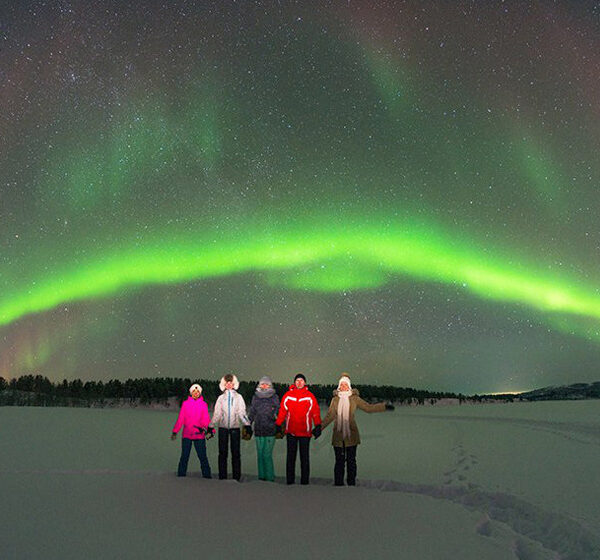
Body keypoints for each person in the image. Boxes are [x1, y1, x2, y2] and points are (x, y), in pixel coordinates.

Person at [322, 374, 394, 486]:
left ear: (349, 386)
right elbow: (330, 416)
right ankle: (338, 485)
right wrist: (319, 428)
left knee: (351, 462)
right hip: (338, 436)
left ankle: (351, 484)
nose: (344, 386)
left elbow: (368, 408)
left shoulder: (354, 398)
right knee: (339, 463)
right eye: (342, 384)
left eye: (346, 384)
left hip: (351, 435)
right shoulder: (335, 400)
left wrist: (384, 406)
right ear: (339, 386)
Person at [275, 373, 321, 485]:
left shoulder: (310, 396)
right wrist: (278, 424)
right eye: (297, 380)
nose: (299, 382)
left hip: (305, 433)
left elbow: (315, 412)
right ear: (294, 382)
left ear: (304, 383)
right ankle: (290, 482)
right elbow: (282, 411)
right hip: (291, 432)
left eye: (301, 380)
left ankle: (304, 482)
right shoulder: (288, 395)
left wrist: (318, 425)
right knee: (291, 458)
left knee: (304, 459)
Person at [210, 374, 250, 481]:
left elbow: (242, 412)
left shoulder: (238, 397)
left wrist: (247, 424)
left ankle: (236, 477)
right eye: (227, 383)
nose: (229, 385)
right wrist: (211, 425)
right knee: (222, 453)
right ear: (224, 384)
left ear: (234, 384)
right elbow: (217, 413)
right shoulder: (221, 398)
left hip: (235, 429)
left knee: (235, 454)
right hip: (223, 428)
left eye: (231, 383)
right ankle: (222, 477)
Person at [171, 383, 213, 478]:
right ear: (191, 393)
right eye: (194, 391)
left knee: (203, 457)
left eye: (198, 392)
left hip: (199, 436)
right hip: (187, 435)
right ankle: (181, 476)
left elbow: (206, 419)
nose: (196, 393)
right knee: (184, 457)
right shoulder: (185, 404)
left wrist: (211, 431)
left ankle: (207, 477)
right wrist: (175, 431)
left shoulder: (203, 404)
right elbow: (181, 419)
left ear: (200, 393)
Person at [247, 376, 280, 482]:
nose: (264, 386)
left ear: (270, 385)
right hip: (258, 430)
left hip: (270, 430)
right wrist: (248, 424)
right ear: (259, 385)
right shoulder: (255, 397)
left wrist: (280, 424)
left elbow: (279, 412)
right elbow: (252, 412)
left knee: (267, 454)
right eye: (262, 384)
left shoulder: (274, 397)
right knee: (260, 454)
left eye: (266, 384)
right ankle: (262, 477)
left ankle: (270, 478)